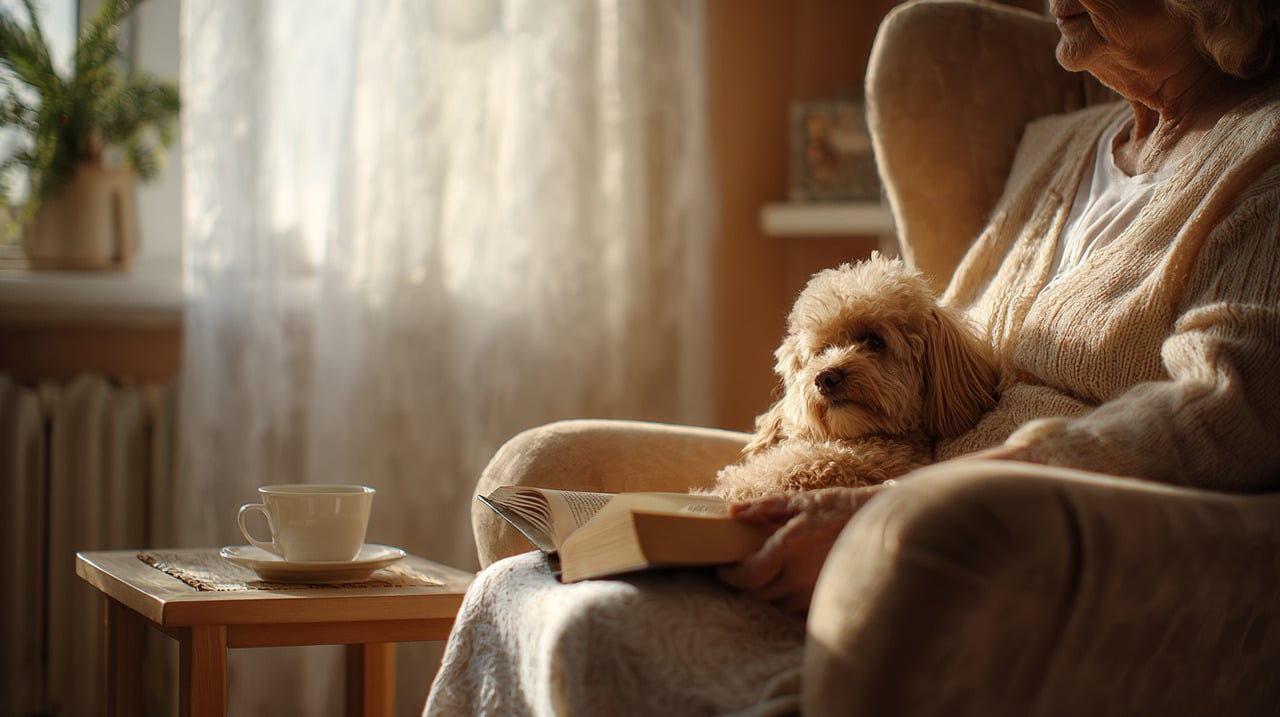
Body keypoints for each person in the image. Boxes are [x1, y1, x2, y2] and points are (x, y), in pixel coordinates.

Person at [427, 0, 1280, 713]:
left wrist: (908, 507)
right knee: (517, 589)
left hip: (1011, 552)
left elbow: (1228, 410)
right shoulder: (1055, 147)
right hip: (887, 499)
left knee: (592, 623)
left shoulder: (1263, 152)